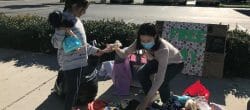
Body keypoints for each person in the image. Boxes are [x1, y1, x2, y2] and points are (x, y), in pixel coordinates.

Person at [112, 23, 184, 110]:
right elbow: (124, 54)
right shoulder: (138, 42)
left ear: (155, 36)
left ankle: (167, 104)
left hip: (175, 63)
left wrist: (144, 102)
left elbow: (159, 79)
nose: (145, 43)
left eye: (149, 40)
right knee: (141, 73)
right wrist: (116, 48)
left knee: (162, 83)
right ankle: (151, 97)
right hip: (156, 60)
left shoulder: (163, 49)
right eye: (143, 40)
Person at [50, 0, 107, 110]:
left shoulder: (75, 20)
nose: (84, 12)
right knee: (72, 91)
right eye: (83, 9)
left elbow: (80, 44)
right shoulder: (64, 20)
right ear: (75, 6)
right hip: (71, 64)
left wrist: (95, 50)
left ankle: (71, 107)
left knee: (74, 89)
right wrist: (62, 29)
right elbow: (56, 44)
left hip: (79, 62)